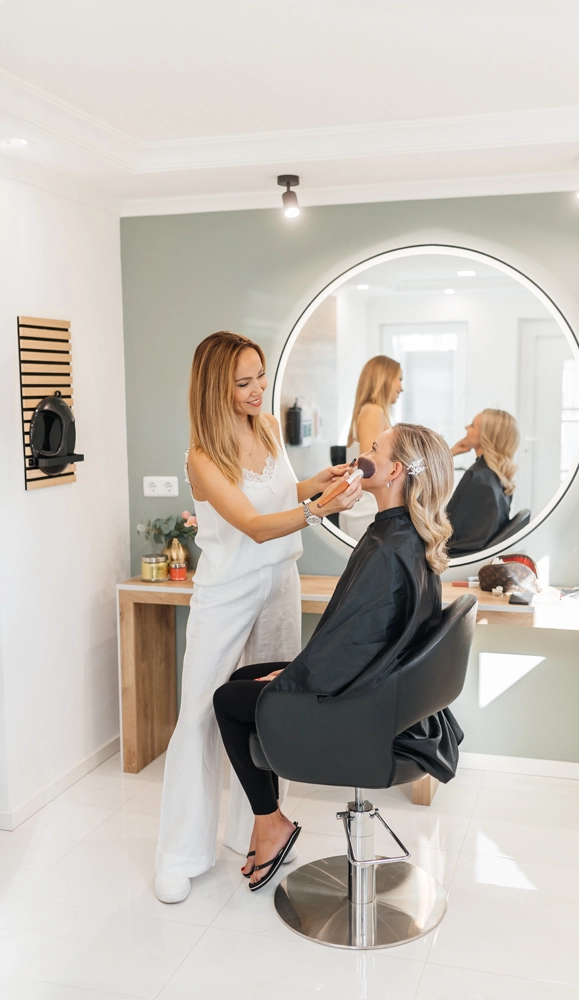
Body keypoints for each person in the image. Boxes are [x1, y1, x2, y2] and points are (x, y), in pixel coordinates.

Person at [154, 331, 363, 905]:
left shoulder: (268, 428)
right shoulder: (202, 457)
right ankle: (179, 854)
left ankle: (260, 825)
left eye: (261, 377)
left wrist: (313, 487)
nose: (257, 390)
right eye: (243, 382)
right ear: (215, 387)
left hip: (280, 582)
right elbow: (251, 523)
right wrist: (318, 510)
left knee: (272, 710)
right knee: (198, 715)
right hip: (228, 592)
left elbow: (279, 496)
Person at [213, 423, 464, 890]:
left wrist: (292, 681)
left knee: (229, 700)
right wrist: (291, 672)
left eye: (372, 448)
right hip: (391, 700)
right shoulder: (402, 537)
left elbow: (353, 646)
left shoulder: (390, 547)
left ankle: (270, 822)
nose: (361, 452)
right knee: (249, 674)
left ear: (391, 470)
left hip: (361, 713)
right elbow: (360, 640)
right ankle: (270, 820)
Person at [339, 355, 403, 539]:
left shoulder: (370, 411)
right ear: (383, 379)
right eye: (399, 379)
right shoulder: (373, 412)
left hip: (364, 507)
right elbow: (371, 468)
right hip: (366, 510)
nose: (401, 387)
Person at [447, 408, 520, 556]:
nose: (466, 428)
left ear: (486, 436)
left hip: (453, 560)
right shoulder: (497, 479)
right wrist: (450, 452)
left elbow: (450, 533)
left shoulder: (478, 479)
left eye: (472, 425)